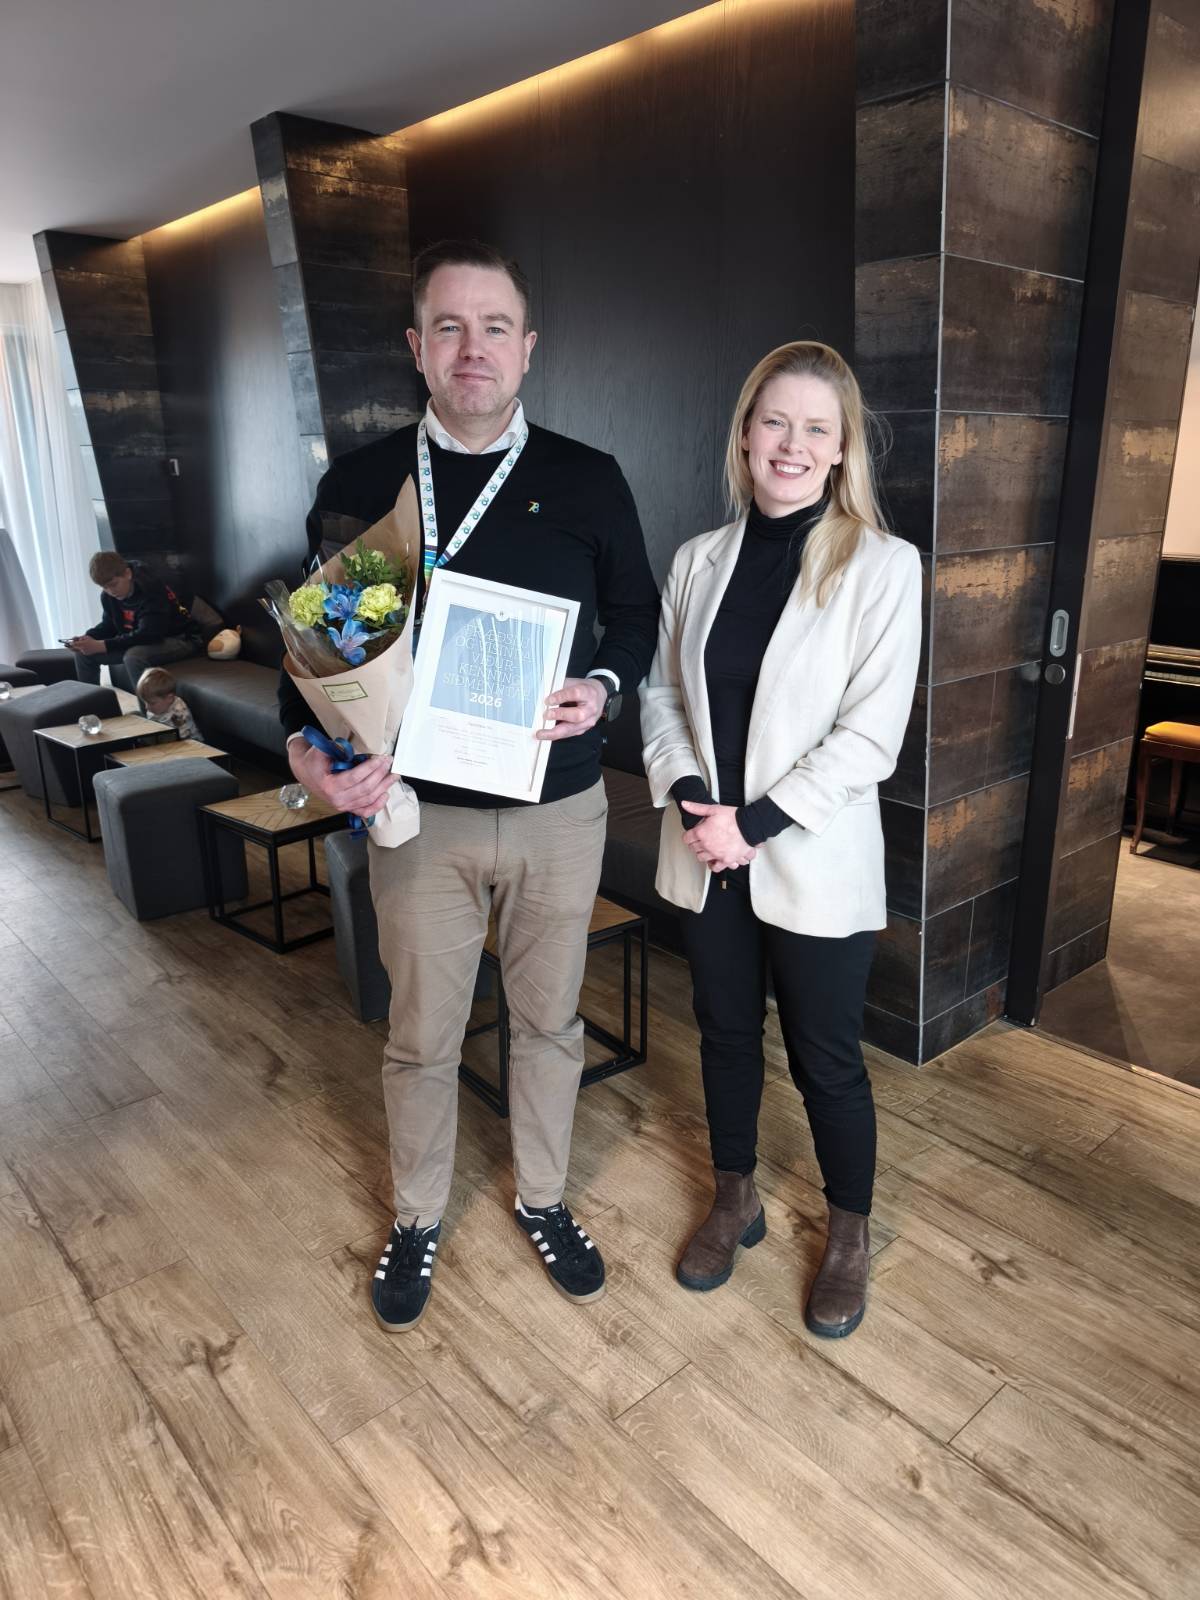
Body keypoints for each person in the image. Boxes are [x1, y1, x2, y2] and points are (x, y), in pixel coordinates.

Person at [279, 239, 660, 1332]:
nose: (473, 347)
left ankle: (543, 1196)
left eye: (495, 327)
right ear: (417, 347)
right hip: (418, 819)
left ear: (528, 348)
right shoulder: (361, 484)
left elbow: (635, 615)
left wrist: (603, 685)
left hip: (560, 810)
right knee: (421, 1035)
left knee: (547, 1023)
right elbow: (319, 652)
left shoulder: (587, 478)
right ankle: (416, 1215)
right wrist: (310, 757)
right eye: (449, 326)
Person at [640, 341, 921, 1338]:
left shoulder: (883, 567)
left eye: (815, 428)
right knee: (723, 1033)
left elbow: (870, 737)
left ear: (842, 449)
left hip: (808, 856)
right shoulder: (697, 560)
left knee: (826, 1056)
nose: (791, 444)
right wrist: (692, 801)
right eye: (775, 422)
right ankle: (736, 1197)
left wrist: (752, 824)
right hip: (707, 851)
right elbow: (661, 695)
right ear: (746, 435)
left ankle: (847, 1234)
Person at [67, 552, 203, 686]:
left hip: (181, 638)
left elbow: (150, 634)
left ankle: (148, 701)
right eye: (105, 587)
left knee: (134, 656)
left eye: (113, 584)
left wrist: (102, 645)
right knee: (83, 652)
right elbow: (109, 625)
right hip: (142, 639)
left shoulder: (151, 589)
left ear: (128, 574)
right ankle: (94, 700)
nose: (111, 591)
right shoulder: (108, 596)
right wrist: (88, 639)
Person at [136, 666, 199, 740]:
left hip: (188, 742)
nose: (146, 707)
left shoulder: (178, 712)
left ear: (169, 698)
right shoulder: (157, 707)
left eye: (152, 703)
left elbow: (184, 737)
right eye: (145, 702)